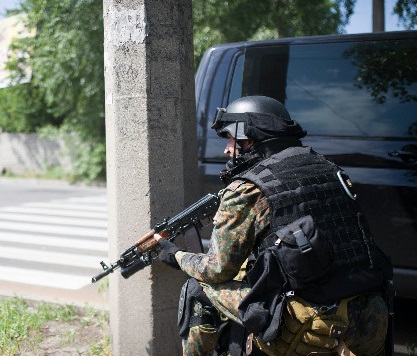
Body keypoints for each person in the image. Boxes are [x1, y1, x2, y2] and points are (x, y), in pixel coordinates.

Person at [154, 96, 392, 356]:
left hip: (311, 327)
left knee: (198, 289)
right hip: (370, 321)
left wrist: (176, 256)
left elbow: (216, 270)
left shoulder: (247, 190)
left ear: (250, 138)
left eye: (231, 140)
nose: (226, 150)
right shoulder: (330, 170)